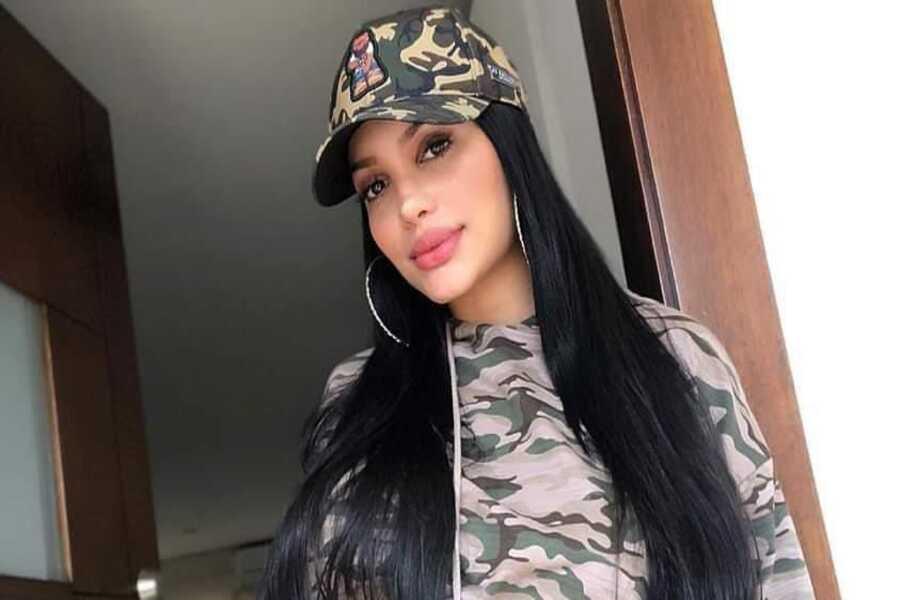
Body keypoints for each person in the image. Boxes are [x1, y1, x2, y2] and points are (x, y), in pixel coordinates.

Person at [260, 5, 816, 600]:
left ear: (509, 145)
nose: (408, 205)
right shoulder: (357, 404)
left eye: (434, 146)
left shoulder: (676, 357)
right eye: (375, 185)